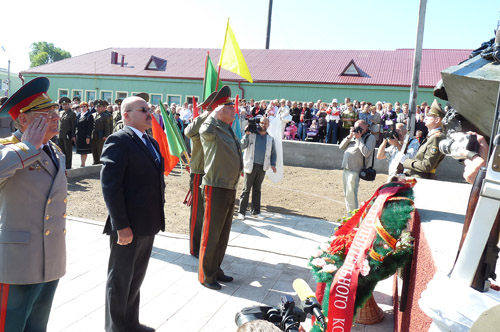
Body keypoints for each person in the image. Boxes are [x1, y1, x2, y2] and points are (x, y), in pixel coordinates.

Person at [0, 76, 67, 331]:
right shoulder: (9, 149)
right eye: (46, 113)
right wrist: (28, 146)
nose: (55, 116)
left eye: (55, 111)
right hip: (16, 262)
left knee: (37, 327)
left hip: (49, 259)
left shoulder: (55, 150)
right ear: (24, 120)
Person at [100, 96, 165, 332]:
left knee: (135, 279)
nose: (149, 113)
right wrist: (121, 225)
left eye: (149, 109)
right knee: (120, 280)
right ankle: (115, 328)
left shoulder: (150, 141)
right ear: (126, 115)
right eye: (143, 109)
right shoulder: (119, 140)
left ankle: (130, 323)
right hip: (128, 225)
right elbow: (110, 186)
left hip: (147, 223)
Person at [198, 86, 243, 290]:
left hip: (229, 186)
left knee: (223, 233)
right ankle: (206, 275)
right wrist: (211, 115)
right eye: (229, 107)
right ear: (218, 110)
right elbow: (202, 131)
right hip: (215, 186)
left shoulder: (227, 128)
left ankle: (216, 269)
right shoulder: (211, 128)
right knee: (211, 233)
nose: (234, 110)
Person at [184, 90, 217, 258]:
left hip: (213, 172)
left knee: (208, 213)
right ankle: (194, 247)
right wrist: (207, 113)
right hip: (199, 171)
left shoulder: (217, 123)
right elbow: (188, 132)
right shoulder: (203, 120)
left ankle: (204, 245)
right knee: (197, 213)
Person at [237, 117, 277, 220]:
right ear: (259, 123)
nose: (264, 124)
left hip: (262, 167)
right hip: (251, 165)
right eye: (262, 122)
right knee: (246, 189)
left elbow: (273, 152)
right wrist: (246, 134)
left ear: (268, 125)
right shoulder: (252, 135)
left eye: (266, 123)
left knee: (257, 189)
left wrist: (273, 164)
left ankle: (255, 211)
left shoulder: (270, 138)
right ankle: (241, 212)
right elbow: (242, 146)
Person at [402, 99, 446, 179]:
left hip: (422, 179)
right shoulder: (432, 136)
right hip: (417, 177)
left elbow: (427, 166)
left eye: (429, 116)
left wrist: (406, 161)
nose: (425, 118)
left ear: (437, 120)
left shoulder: (437, 137)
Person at [339, 120, 376, 212]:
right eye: (356, 127)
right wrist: (350, 136)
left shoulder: (370, 137)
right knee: (347, 194)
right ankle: (350, 215)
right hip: (346, 168)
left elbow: (366, 153)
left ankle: (353, 218)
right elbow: (341, 146)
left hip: (355, 169)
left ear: (366, 127)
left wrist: (359, 139)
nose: (358, 130)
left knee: (351, 194)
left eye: (360, 127)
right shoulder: (353, 136)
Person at [91, 99, 112, 164]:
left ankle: (100, 164)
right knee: (94, 150)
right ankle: (95, 162)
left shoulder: (105, 116)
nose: (98, 108)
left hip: (101, 136)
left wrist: (106, 136)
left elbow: (108, 127)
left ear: (103, 107)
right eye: (97, 107)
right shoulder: (94, 114)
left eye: (99, 107)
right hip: (94, 135)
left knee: (100, 150)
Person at [58, 96, 77, 169]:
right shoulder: (61, 112)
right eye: (63, 104)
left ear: (69, 105)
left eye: (66, 104)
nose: (64, 106)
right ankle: (63, 165)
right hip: (61, 135)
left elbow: (73, 125)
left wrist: (73, 136)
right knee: (61, 151)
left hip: (67, 135)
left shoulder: (72, 113)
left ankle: (68, 166)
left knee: (68, 151)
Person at [76, 101, 94, 167]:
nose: (83, 108)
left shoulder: (89, 116)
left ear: (87, 107)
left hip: (85, 135)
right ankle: (82, 162)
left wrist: (88, 136)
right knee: (80, 150)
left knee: (84, 150)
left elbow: (90, 127)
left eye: (84, 106)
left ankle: (83, 163)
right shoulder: (78, 115)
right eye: (81, 106)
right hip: (79, 135)